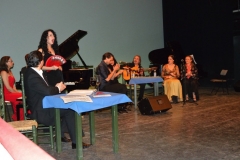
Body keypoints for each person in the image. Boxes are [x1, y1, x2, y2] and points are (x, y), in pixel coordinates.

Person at [24, 50, 90, 149]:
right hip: (41, 111)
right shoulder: (33, 75)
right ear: (41, 62)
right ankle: (76, 142)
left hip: (45, 105)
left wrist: (54, 86)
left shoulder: (32, 72)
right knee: (71, 109)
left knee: (68, 107)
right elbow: (47, 92)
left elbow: (43, 89)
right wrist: (59, 88)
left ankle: (60, 134)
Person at [38, 29, 70, 142]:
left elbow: (58, 62)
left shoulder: (55, 50)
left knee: (64, 105)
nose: (53, 37)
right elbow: (39, 67)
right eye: (50, 35)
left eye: (53, 35)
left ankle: (60, 134)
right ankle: (58, 134)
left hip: (58, 78)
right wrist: (51, 68)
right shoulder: (41, 50)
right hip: (49, 80)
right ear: (45, 38)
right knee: (56, 106)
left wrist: (59, 67)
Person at [0, 56, 23, 121]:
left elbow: (13, 86)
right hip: (6, 94)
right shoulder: (3, 72)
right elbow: (8, 87)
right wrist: (17, 93)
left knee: (22, 95)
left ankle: (19, 117)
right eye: (11, 61)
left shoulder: (10, 72)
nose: (13, 62)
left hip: (11, 92)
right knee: (21, 96)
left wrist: (18, 92)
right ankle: (18, 117)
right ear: (6, 62)